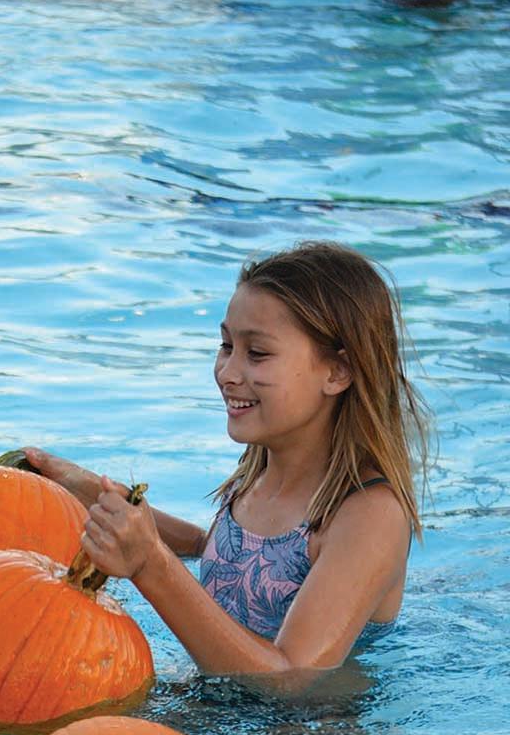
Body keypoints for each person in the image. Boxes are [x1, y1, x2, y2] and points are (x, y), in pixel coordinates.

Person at [26, 242, 430, 689]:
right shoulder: (259, 475)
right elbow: (219, 551)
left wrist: (151, 565)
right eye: (226, 346)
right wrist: (86, 495)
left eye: (256, 354)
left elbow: (291, 678)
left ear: (337, 372)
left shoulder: (368, 514)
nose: (227, 372)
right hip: (220, 717)